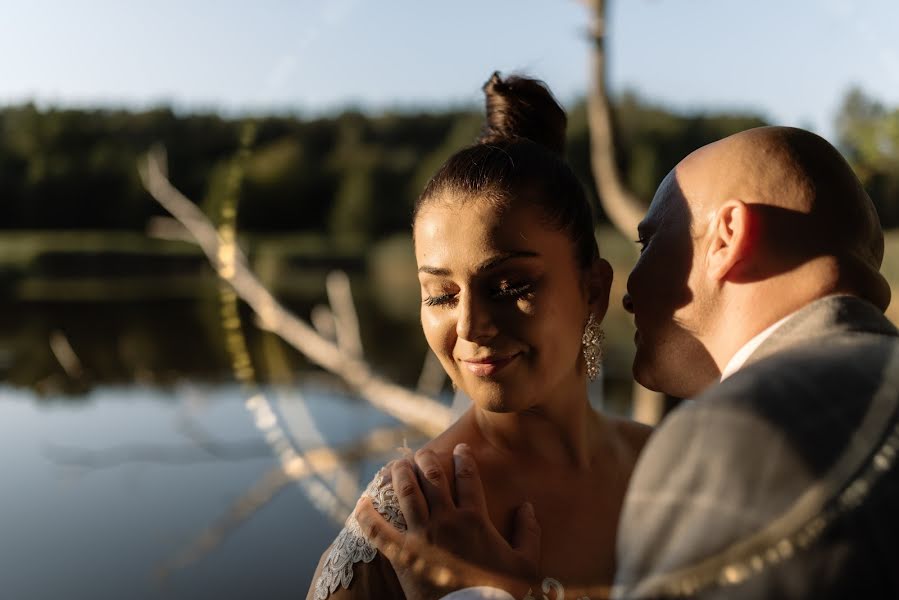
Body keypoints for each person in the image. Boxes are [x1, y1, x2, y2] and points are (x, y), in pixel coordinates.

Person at [356, 125, 899, 599]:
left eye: (649, 243)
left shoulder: (735, 437)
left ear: (727, 237)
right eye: (439, 295)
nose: (631, 291)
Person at [306, 72, 652, 600]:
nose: (469, 327)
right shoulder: (409, 521)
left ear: (594, 291)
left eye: (510, 284)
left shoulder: (667, 464)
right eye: (441, 295)